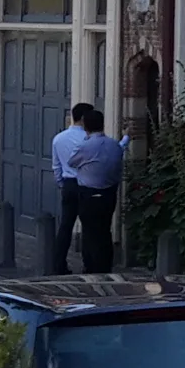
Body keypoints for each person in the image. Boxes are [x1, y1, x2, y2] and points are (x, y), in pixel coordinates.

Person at [65, 105, 124, 275]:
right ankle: (106, 266)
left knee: (90, 232)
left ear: (85, 126)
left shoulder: (86, 146)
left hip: (89, 194)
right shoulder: (114, 145)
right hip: (109, 194)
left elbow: (72, 162)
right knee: (105, 231)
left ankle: (92, 268)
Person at [50, 104, 94, 262]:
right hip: (86, 185)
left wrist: (62, 183)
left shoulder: (58, 138)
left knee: (66, 226)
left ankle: (58, 262)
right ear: (83, 119)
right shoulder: (88, 139)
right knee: (89, 226)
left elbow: (56, 166)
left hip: (68, 184)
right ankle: (88, 264)